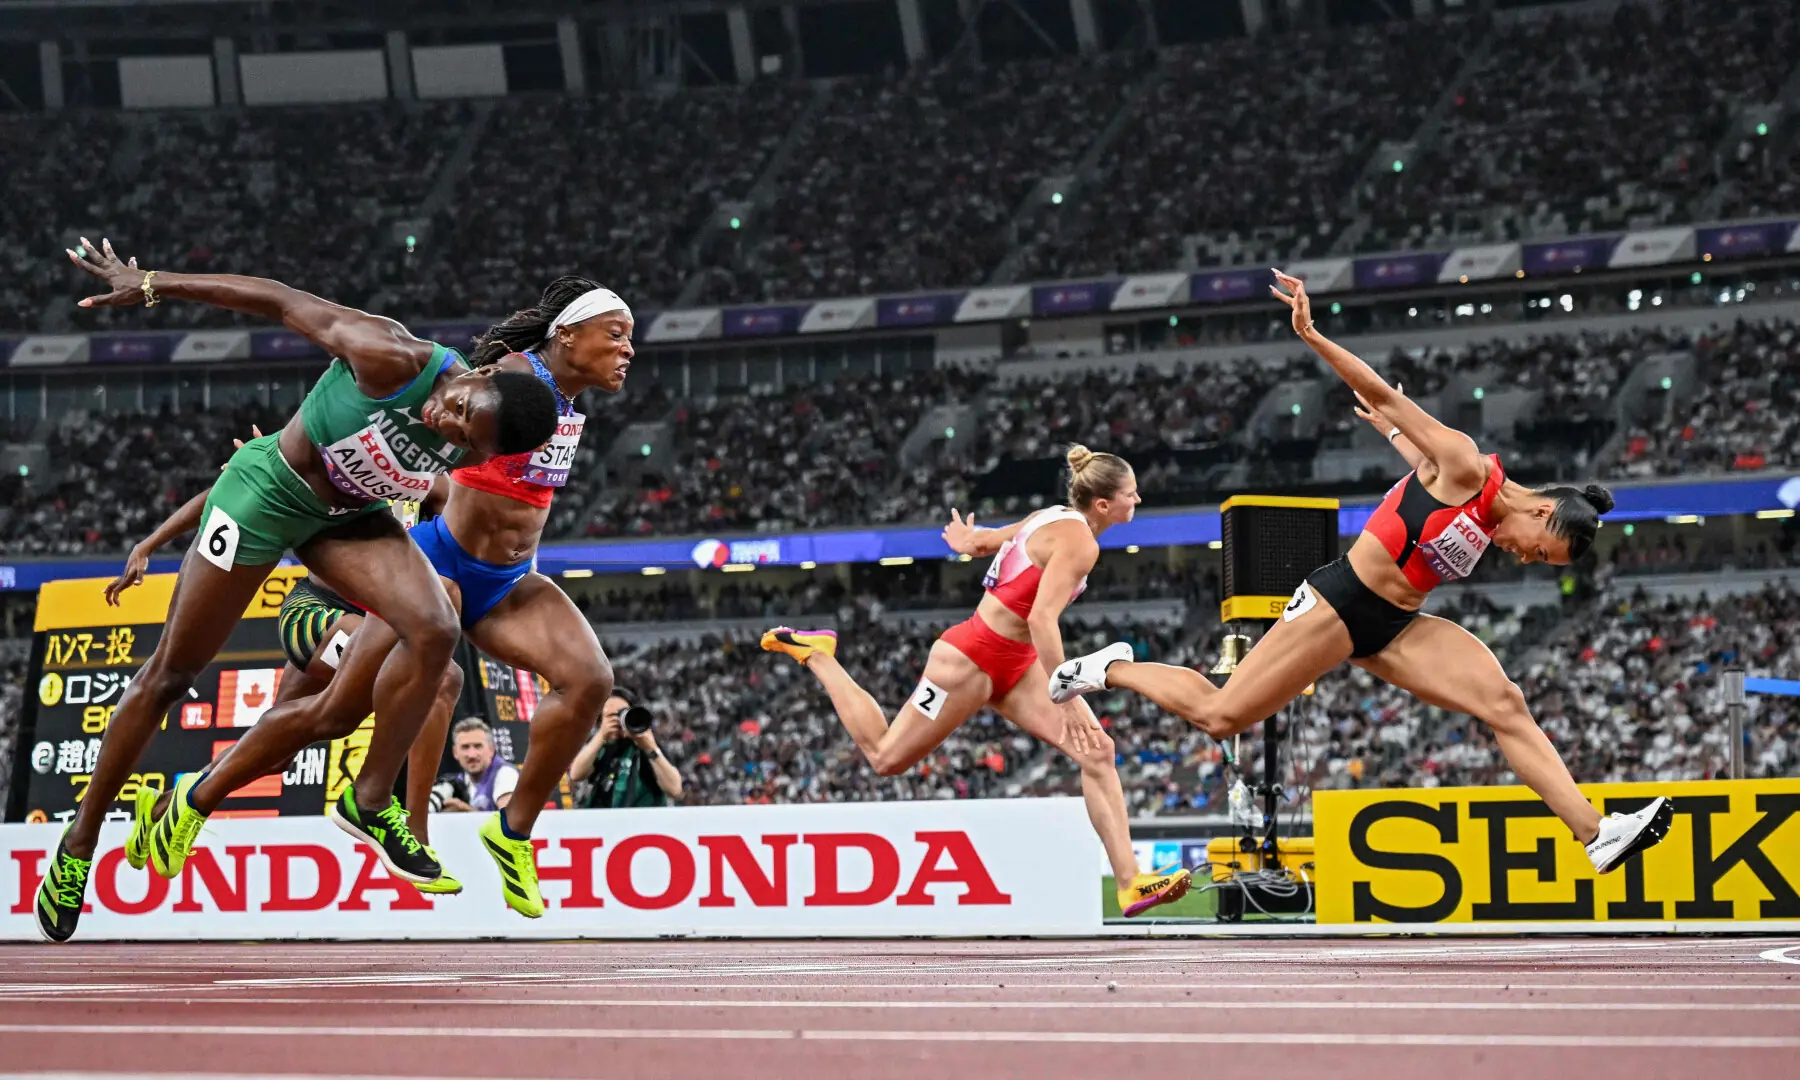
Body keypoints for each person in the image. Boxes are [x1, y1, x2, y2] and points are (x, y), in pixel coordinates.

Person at [1052, 270, 1673, 876]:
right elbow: (1384, 394)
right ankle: (1111, 667)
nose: (1524, 557)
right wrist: (1312, 334)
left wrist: (1397, 438)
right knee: (1222, 716)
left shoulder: (1480, 502)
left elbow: (1413, 471)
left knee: (1505, 703)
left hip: (1399, 624)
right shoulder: (1463, 462)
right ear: (1542, 510)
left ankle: (1595, 833)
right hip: (1340, 603)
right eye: (1539, 550)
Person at [36, 240, 559, 943]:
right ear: (478, 374)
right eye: (461, 407)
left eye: (470, 433)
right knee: (171, 675)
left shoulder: (480, 440)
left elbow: (434, 485)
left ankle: (373, 801)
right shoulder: (391, 356)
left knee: (435, 628)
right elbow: (277, 296)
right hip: (265, 496)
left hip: (349, 520)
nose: (449, 422)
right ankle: (77, 846)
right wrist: (154, 283)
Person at [137, 276, 632, 920]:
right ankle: (203, 799)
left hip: (506, 581)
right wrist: (300, 463)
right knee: (335, 713)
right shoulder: (505, 380)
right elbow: (423, 426)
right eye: (616, 336)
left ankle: (510, 833)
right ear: (568, 335)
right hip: (428, 568)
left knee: (591, 679)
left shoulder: (560, 403)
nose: (628, 352)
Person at [761, 446, 1192, 917]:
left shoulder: (1051, 516)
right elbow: (1044, 620)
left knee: (1097, 752)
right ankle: (820, 656)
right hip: (970, 659)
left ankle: (1130, 884)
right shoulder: (1080, 544)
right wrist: (1066, 695)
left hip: (1018, 661)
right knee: (886, 757)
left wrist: (967, 539)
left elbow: (988, 544)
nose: (1140, 499)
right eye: (1132, 494)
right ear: (1105, 504)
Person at [107, 488, 466, 895]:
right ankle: (416, 835)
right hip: (317, 613)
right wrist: (150, 543)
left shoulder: (437, 484)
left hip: (377, 623)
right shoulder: (353, 454)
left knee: (277, 753)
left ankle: (161, 806)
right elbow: (232, 484)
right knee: (444, 680)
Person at [570, 688, 683, 808]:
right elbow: (576, 774)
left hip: (641, 823)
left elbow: (675, 790)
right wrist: (601, 736)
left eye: (623, 713)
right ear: (600, 721)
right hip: (605, 822)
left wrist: (650, 748)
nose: (618, 720)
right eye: (611, 716)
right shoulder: (601, 747)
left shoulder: (647, 746)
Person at [437, 718, 520, 813]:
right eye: (465, 747)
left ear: (491, 750)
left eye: (478, 746)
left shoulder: (505, 774)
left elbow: (509, 822)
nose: (471, 754)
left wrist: (466, 811)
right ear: (455, 752)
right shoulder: (459, 782)